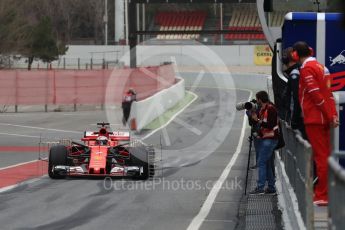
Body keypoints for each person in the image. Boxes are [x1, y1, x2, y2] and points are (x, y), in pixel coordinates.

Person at [292, 41, 339, 206]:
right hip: (324, 118)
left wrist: (327, 115)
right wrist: (332, 115)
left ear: (295, 55)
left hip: (315, 119)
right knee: (325, 156)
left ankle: (322, 195)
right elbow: (329, 93)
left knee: (321, 158)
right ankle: (325, 193)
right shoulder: (322, 67)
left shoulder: (306, 69)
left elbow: (316, 95)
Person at [249, 91, 278, 195]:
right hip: (266, 138)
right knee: (267, 164)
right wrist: (258, 134)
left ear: (260, 99)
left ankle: (260, 187)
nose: (257, 101)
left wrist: (257, 120)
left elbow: (270, 125)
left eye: (257, 99)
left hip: (270, 139)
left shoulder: (271, 109)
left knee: (261, 162)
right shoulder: (263, 109)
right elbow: (262, 126)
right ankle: (271, 188)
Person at [282, 47, 306, 138]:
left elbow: (296, 99)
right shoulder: (297, 71)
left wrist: (294, 121)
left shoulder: (295, 74)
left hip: (298, 122)